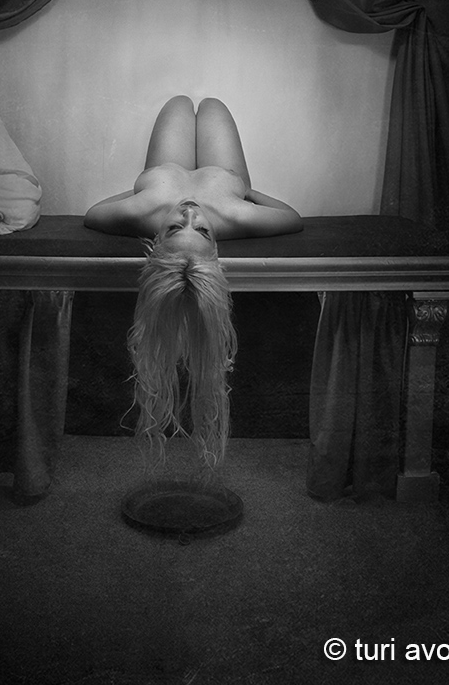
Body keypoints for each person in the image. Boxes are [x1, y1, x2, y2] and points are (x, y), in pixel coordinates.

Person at [84, 96, 303, 477]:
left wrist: (137, 196)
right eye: (200, 229)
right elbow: (292, 218)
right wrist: (248, 194)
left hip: (163, 173)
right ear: (215, 245)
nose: (189, 212)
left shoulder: (142, 212)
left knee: (180, 104)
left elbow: (92, 215)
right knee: (212, 105)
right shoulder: (234, 216)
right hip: (223, 174)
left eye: (175, 227)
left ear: (156, 240)